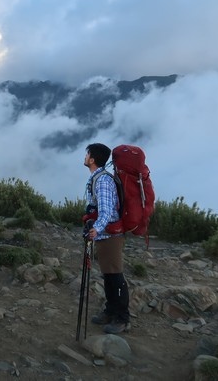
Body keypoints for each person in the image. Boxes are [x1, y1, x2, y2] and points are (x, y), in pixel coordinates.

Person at [83, 142, 130, 334]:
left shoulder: (102, 181)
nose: (85, 157)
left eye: (87, 154)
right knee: (108, 275)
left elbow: (107, 210)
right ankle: (111, 311)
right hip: (105, 234)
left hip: (110, 234)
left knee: (116, 276)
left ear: (92, 159)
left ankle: (122, 318)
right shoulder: (98, 178)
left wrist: (97, 229)